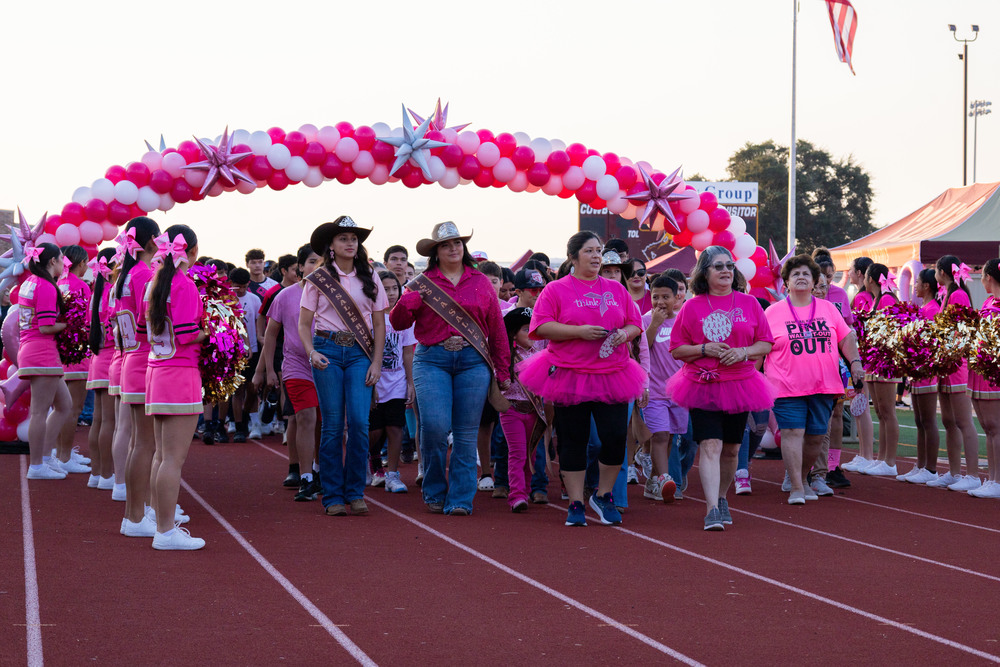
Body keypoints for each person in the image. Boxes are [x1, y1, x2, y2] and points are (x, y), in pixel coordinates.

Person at [519, 231, 645, 526]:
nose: (596, 256)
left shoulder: (616, 290)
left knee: (614, 438)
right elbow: (541, 327)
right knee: (573, 439)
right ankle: (576, 502)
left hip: (612, 374)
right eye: (589, 251)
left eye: (599, 250)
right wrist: (579, 332)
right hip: (569, 374)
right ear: (573, 257)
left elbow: (635, 324)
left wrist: (622, 335)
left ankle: (602, 495)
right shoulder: (556, 290)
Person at [390, 221, 510, 516]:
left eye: (457, 243)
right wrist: (409, 302)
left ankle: (460, 498)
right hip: (432, 359)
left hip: (473, 361)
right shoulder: (420, 283)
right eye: (446, 244)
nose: (454, 248)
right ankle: (433, 488)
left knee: (466, 433)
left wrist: (503, 371)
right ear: (436, 251)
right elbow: (397, 323)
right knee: (433, 427)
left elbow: (496, 328)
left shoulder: (480, 281)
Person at [667, 246, 775, 530]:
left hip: (740, 385)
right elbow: (677, 349)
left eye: (729, 265)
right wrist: (704, 348)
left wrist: (743, 352)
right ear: (705, 272)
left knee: (731, 449)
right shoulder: (692, 306)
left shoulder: (750, 303)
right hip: (702, 385)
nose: (726, 270)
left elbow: (766, 343)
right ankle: (712, 508)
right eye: (718, 266)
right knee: (710, 445)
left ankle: (722, 497)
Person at [300, 217, 388, 517]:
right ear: (332, 246)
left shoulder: (371, 275)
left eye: (354, 238)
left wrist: (376, 361)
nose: (350, 243)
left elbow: (379, 323)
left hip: (360, 353)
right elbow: (303, 323)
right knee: (334, 426)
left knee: (361, 424)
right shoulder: (318, 277)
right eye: (343, 239)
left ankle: (355, 492)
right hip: (326, 350)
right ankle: (333, 495)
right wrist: (311, 351)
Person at [764, 255, 862, 504]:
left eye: (806, 274)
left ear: (815, 280)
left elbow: (846, 338)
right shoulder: (773, 312)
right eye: (795, 274)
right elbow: (761, 347)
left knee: (816, 437)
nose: (800, 277)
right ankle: (797, 486)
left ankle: (801, 476)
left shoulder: (828, 309)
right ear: (785, 282)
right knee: (793, 432)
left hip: (823, 384)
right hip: (785, 385)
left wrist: (856, 363)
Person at [144, 225, 207, 549]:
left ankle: (161, 521)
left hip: (156, 373)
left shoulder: (155, 283)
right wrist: (211, 331)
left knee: (161, 455)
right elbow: (185, 334)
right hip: (179, 375)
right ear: (191, 252)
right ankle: (166, 532)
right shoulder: (183, 285)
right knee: (172, 459)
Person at [256, 244, 323, 501]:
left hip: (329, 366)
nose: (316, 267)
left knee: (324, 422)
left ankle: (319, 471)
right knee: (305, 416)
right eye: (311, 262)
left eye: (321, 262)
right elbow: (271, 335)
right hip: (296, 365)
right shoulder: (285, 296)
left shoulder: (334, 295)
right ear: (300, 268)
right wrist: (268, 371)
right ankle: (305, 477)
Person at [19, 242, 74, 480]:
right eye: (62, 259)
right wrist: (71, 325)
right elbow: (45, 327)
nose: (64, 264)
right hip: (41, 352)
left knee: (64, 405)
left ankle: (45, 456)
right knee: (40, 411)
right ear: (52, 261)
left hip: (33, 350)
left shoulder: (30, 281)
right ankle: (36, 466)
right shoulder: (46, 286)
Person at [927, 255, 981, 491]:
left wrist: (945, 351)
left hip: (956, 365)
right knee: (948, 420)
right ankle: (954, 472)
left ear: (942, 272)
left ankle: (972, 474)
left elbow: (960, 330)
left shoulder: (958, 294)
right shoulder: (948, 293)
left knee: (963, 421)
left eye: (935, 270)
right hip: (945, 364)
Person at [368, 270, 415, 494]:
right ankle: (372, 461)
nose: (391, 293)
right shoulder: (368, 316)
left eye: (394, 288)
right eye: (385, 289)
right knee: (374, 431)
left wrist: (410, 382)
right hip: (373, 380)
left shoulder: (404, 318)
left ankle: (393, 475)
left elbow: (407, 353)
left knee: (395, 428)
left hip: (396, 380)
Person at [642, 274, 685, 502]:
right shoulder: (645, 320)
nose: (660, 301)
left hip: (678, 393)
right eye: (655, 296)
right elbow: (642, 348)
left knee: (669, 438)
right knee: (659, 435)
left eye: (665, 297)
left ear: (676, 297)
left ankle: (653, 481)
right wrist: (655, 324)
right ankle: (664, 478)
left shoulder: (682, 320)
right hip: (654, 391)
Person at [855, 263, 902, 476]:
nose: (863, 280)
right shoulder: (877, 299)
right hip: (874, 361)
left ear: (871, 279)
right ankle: (881, 458)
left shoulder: (886, 299)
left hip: (886, 362)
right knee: (881, 412)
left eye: (865, 276)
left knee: (888, 411)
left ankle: (890, 462)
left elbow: (893, 331)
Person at [52, 244, 93, 474]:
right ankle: (64, 456)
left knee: (62, 407)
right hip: (76, 353)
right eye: (86, 262)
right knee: (72, 408)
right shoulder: (81, 286)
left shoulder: (61, 283)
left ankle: (61, 452)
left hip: (61, 352)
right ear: (80, 263)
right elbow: (84, 321)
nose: (87, 266)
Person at [499, 307, 544, 512]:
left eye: (534, 329)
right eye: (526, 330)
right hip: (512, 410)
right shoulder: (506, 356)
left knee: (531, 455)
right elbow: (497, 379)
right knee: (517, 453)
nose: (532, 334)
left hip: (534, 411)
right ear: (513, 334)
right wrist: (503, 383)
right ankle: (516, 495)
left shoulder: (540, 354)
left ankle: (525, 490)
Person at [900, 269, 942, 484]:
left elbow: (932, 344)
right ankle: (920, 465)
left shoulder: (933, 310)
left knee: (928, 420)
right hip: (917, 371)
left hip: (927, 372)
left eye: (917, 282)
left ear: (927, 286)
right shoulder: (922, 308)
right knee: (919, 420)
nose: (914, 285)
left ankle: (931, 468)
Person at [84, 248, 118, 490]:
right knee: (109, 422)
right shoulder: (111, 292)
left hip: (97, 359)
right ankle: (106, 475)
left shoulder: (95, 293)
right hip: (109, 359)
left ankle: (97, 472)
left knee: (99, 420)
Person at [842, 256, 876, 472]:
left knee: (861, 407)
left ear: (861, 273)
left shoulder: (863, 297)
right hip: (860, 358)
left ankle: (867, 455)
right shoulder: (861, 295)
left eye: (852, 269)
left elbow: (859, 330)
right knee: (858, 407)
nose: (849, 272)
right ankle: (864, 454)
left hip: (861, 359)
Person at [969, 259, 1000, 497]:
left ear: (989, 277)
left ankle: (997, 481)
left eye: (982, 275)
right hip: (981, 370)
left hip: (995, 372)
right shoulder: (989, 301)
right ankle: (992, 478)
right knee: (988, 428)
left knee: (996, 428)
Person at [227, 268, 262, 443]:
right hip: (233, 351)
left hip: (253, 350)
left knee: (252, 388)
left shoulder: (254, 300)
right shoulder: (226, 301)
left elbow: (257, 323)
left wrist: (257, 344)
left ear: (248, 284)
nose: (239, 290)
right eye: (236, 287)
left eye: (243, 287)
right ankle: (239, 426)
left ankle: (252, 420)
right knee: (237, 390)